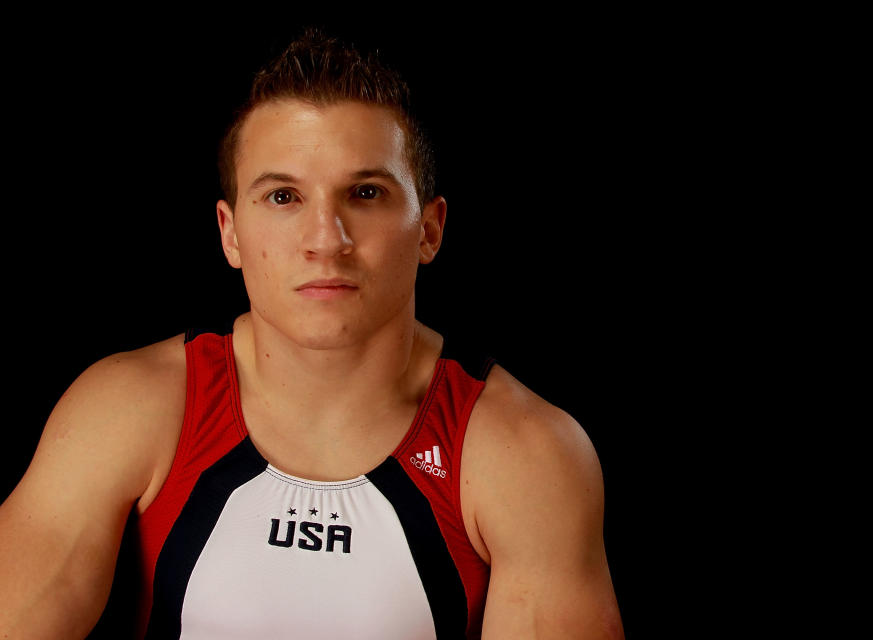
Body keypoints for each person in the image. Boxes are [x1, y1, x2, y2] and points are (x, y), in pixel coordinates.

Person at [0, 29, 624, 639]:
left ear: (430, 230)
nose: (327, 240)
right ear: (230, 233)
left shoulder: (526, 456)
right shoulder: (125, 411)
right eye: (282, 197)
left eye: (366, 192)